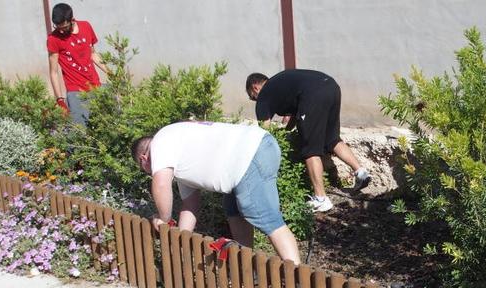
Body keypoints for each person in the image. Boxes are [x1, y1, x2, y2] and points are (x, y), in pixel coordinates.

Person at [131, 121, 300, 264]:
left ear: (144, 159)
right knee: (233, 208)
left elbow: (160, 185)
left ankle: (296, 278)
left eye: (143, 169)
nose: (149, 172)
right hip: (257, 146)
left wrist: (163, 219)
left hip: (251, 153)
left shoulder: (159, 143)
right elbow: (191, 206)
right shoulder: (176, 154)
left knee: (264, 216)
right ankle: (246, 264)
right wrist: (180, 241)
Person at [245, 70, 371, 213]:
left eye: (252, 97)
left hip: (313, 94)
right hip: (331, 86)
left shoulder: (264, 96)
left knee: (310, 149)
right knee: (332, 139)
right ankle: (361, 173)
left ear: (255, 88)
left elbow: (264, 131)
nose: (255, 100)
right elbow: (297, 114)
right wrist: (286, 132)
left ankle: (321, 199)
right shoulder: (280, 85)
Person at [46, 3, 108, 125]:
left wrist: (111, 73)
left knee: (106, 125)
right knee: (78, 134)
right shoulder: (53, 39)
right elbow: (53, 72)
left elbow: (93, 54)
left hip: (96, 86)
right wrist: (60, 100)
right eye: (58, 27)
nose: (61, 31)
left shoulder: (86, 26)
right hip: (76, 91)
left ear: (72, 20)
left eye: (64, 27)